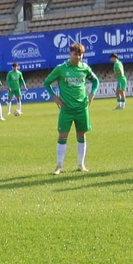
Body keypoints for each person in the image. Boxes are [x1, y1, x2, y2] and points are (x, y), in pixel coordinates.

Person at [44, 43, 100, 174]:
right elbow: (46, 82)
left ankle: (81, 164)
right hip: (66, 108)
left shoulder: (85, 68)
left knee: (81, 135)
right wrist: (55, 97)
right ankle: (59, 166)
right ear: (70, 54)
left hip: (82, 108)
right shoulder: (61, 69)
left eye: (80, 55)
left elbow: (96, 81)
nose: (78, 57)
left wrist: (92, 94)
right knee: (63, 135)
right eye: (76, 54)